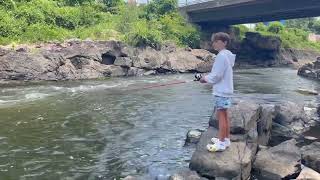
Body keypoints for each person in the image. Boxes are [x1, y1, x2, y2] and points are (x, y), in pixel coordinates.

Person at [200, 32, 236, 152]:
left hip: (221, 91)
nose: (214, 43)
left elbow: (217, 76)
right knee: (224, 116)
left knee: (221, 117)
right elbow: (218, 74)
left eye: (217, 41)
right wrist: (208, 77)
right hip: (226, 91)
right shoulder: (227, 55)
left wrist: (205, 79)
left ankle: (221, 143)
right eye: (214, 41)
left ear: (224, 43)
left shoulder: (221, 56)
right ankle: (226, 139)